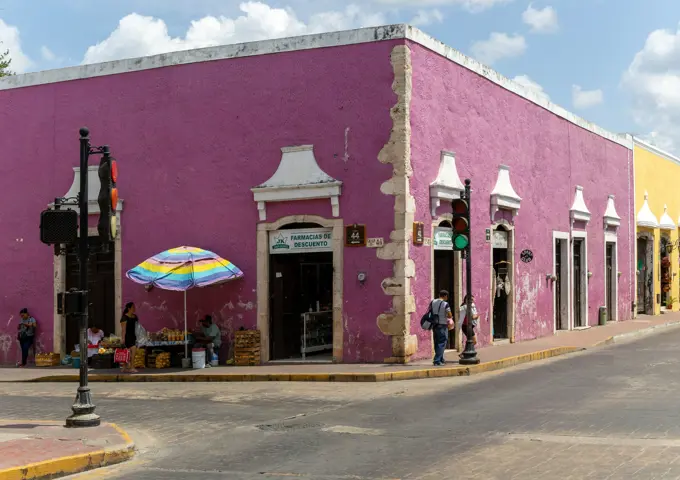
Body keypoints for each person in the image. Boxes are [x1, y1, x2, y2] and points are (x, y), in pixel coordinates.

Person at [431, 290, 453, 366]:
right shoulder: (445, 304)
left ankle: (441, 359)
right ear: (445, 296)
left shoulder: (433, 302)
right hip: (442, 325)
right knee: (442, 342)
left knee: (437, 342)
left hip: (435, 324)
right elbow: (449, 314)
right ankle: (437, 360)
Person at [120, 302, 139, 373]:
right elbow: (123, 330)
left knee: (128, 352)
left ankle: (124, 367)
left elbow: (137, 327)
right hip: (127, 336)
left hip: (133, 336)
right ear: (129, 308)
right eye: (133, 307)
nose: (134, 308)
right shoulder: (124, 318)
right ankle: (132, 367)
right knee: (132, 350)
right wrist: (123, 339)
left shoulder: (135, 317)